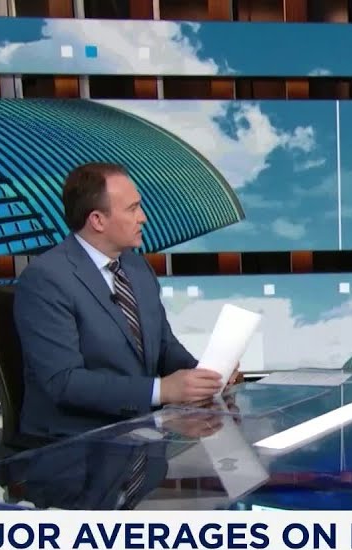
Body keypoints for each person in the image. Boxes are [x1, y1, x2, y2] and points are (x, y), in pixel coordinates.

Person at [13, 162, 231, 440]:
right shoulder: (46, 278)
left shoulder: (137, 268)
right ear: (97, 220)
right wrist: (162, 390)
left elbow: (164, 346)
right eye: (132, 209)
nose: (143, 218)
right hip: (73, 443)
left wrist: (206, 375)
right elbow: (64, 382)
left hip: (143, 431)